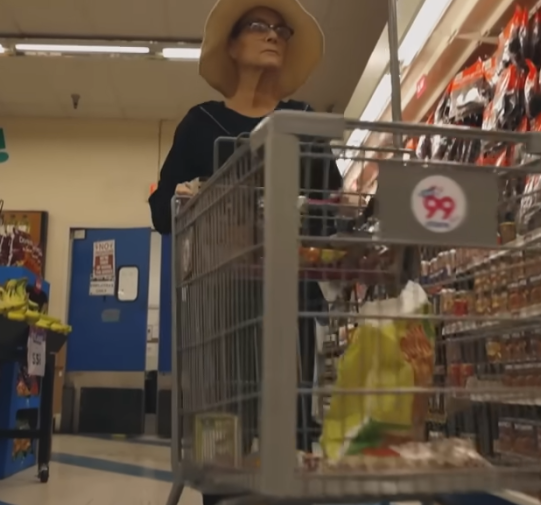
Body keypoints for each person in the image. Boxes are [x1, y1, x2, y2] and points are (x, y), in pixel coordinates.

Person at [149, 1, 342, 504]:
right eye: (259, 26)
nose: (273, 35)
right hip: (221, 307)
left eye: (281, 29)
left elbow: (332, 210)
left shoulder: (303, 121)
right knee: (223, 445)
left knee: (293, 440)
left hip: (292, 302)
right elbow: (160, 210)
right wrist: (185, 198)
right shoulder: (201, 123)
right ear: (231, 45)